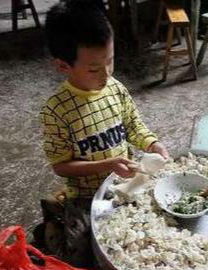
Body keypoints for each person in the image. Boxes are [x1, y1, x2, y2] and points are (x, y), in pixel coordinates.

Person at [35, 0, 169, 266]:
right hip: (86, 193)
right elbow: (61, 166)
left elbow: (133, 126)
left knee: (152, 232)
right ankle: (53, 227)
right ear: (64, 66)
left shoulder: (116, 89)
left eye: (111, 61)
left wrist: (153, 144)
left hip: (125, 182)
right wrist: (106, 164)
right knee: (85, 251)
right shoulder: (56, 111)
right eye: (94, 69)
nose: (107, 74)